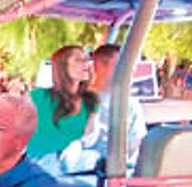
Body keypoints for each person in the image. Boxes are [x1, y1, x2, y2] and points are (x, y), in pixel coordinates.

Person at [57, 42, 148, 174]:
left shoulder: (131, 104)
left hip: (120, 173)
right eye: (123, 66)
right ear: (99, 65)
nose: (131, 72)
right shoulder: (74, 99)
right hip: (82, 174)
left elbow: (136, 141)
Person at [28, 45, 95, 161]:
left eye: (87, 59)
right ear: (62, 66)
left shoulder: (90, 101)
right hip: (36, 168)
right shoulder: (38, 96)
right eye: (78, 60)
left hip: (73, 172)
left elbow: (88, 140)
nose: (86, 63)